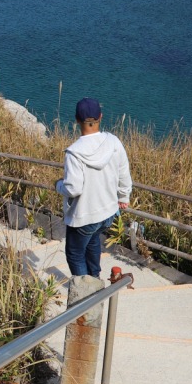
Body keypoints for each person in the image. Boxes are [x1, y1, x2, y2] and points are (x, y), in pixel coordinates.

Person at [56, 97, 132, 278]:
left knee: (75, 255)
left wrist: (58, 185)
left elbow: (73, 188)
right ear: (100, 116)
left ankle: (85, 295)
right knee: (92, 242)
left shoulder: (74, 152)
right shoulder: (113, 141)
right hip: (108, 212)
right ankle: (95, 279)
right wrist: (123, 197)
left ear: (76, 120)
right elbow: (123, 172)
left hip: (84, 215)